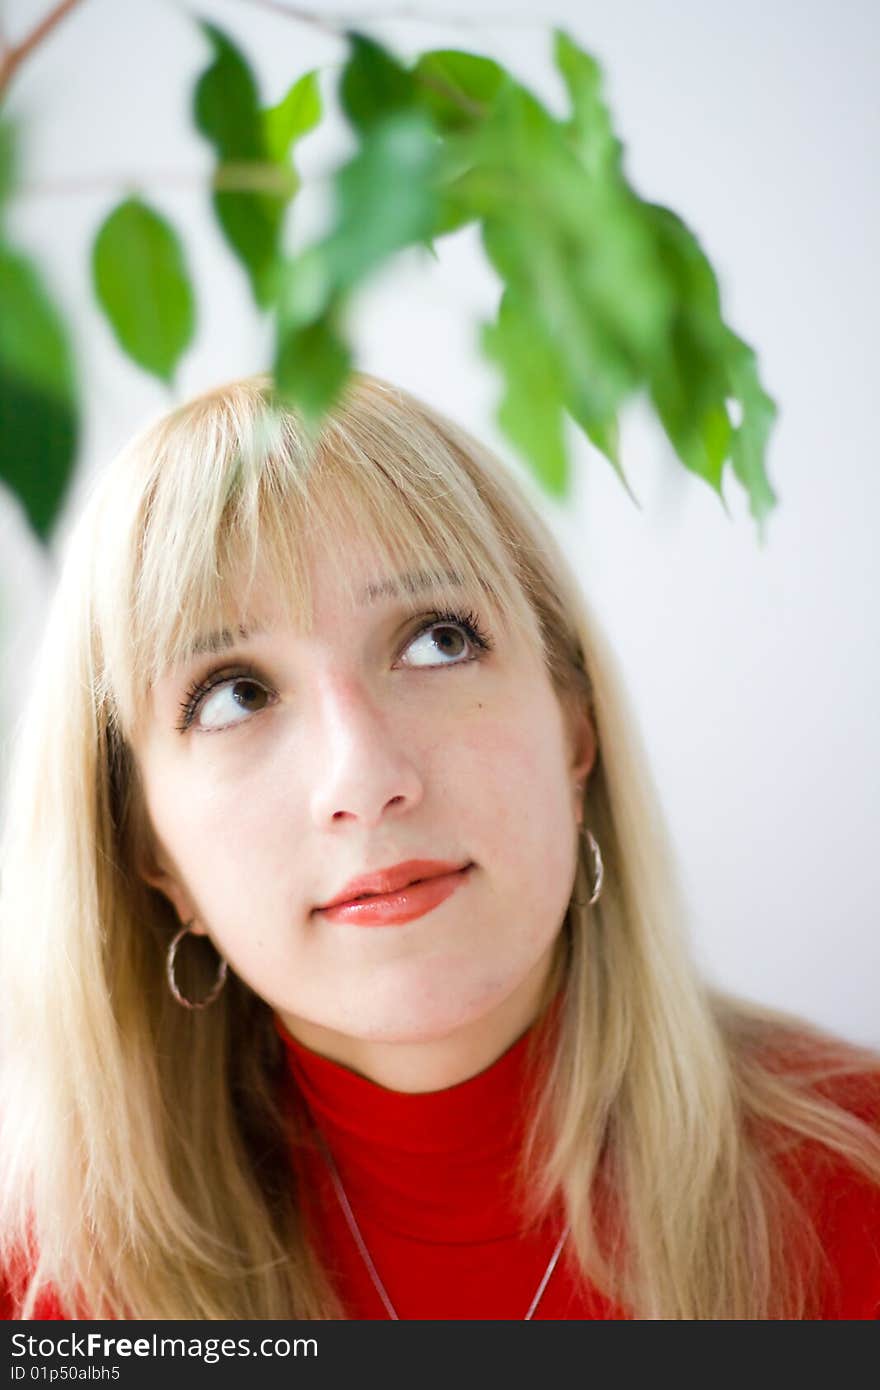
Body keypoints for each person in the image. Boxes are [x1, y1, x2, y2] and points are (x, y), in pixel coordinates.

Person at [1, 373, 878, 1322]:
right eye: (234, 695)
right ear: (151, 854)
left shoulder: (857, 1176)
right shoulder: (49, 1293)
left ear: (575, 731)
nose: (364, 777)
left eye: (437, 640)